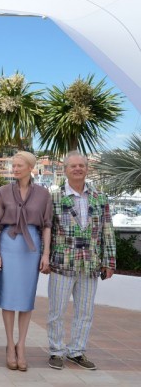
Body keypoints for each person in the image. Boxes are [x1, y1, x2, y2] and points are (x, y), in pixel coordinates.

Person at [47, 151, 116, 371]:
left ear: (87, 169)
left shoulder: (99, 197)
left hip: (90, 265)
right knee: (56, 311)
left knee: (85, 312)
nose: (78, 169)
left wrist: (109, 261)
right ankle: (56, 351)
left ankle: (77, 351)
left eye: (82, 165)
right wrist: (44, 258)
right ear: (65, 170)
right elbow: (46, 230)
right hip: (62, 264)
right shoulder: (54, 197)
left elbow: (107, 230)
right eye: (73, 166)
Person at [0, 151, 52, 372]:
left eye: (19, 165)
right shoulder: (2, 192)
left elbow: (46, 225)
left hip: (31, 247)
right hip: (9, 245)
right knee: (8, 297)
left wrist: (45, 255)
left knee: (26, 299)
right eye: (13, 165)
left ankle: (22, 346)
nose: (14, 169)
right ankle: (9, 345)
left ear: (30, 168)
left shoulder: (44, 194)